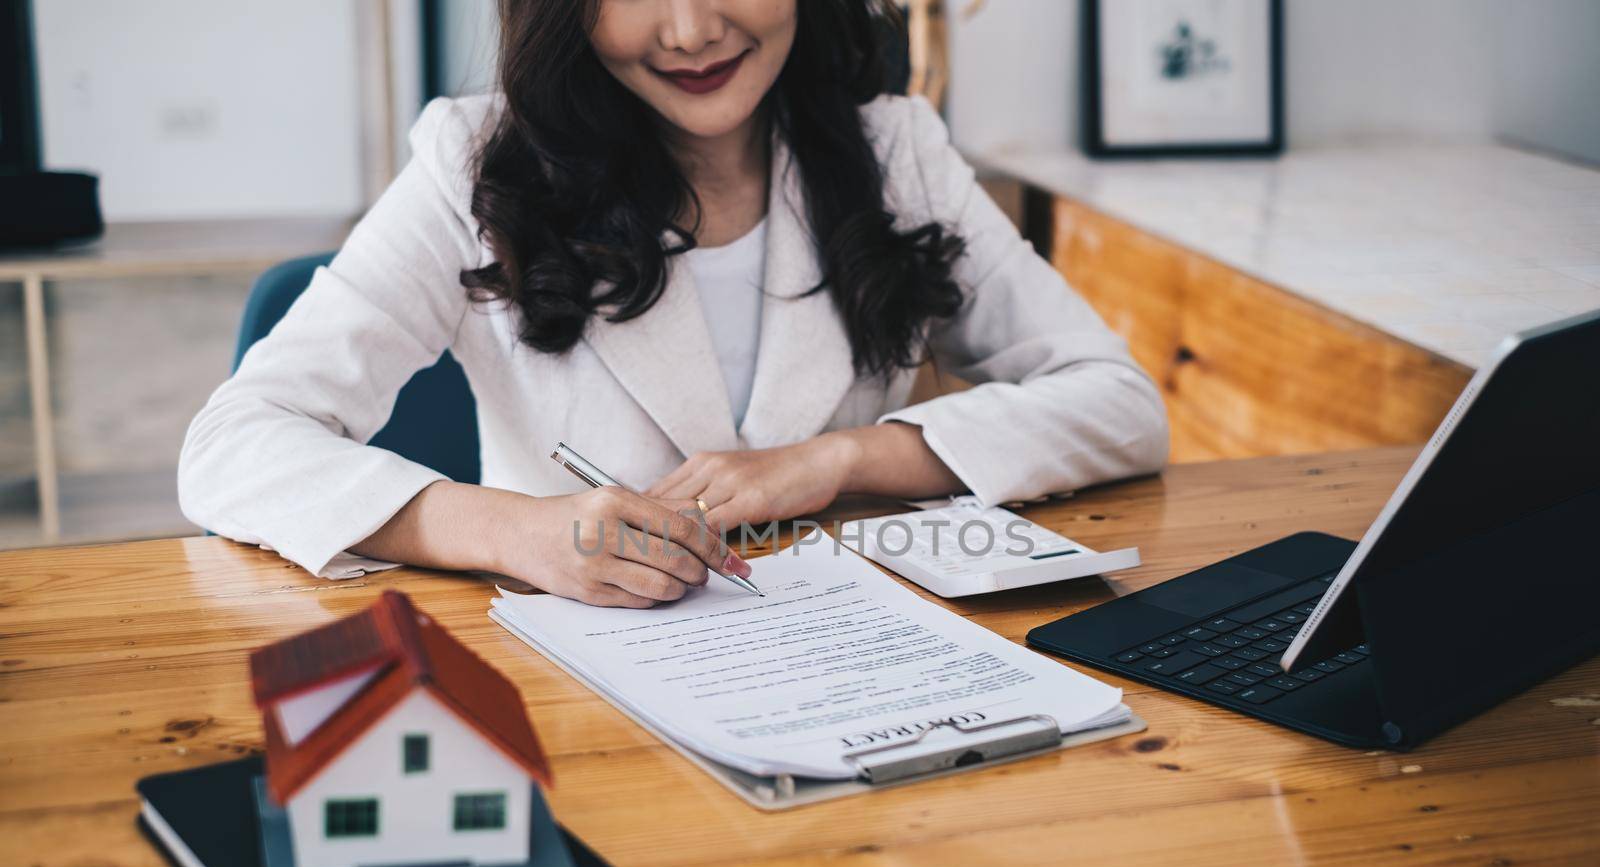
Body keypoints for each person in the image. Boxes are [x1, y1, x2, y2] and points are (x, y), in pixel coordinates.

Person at [179, 0, 1168, 608]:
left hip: (855, 661)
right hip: (577, 678)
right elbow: (233, 446)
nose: (692, 29)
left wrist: (837, 459)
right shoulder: (475, 164)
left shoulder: (894, 149)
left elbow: (1116, 404)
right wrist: (505, 530)